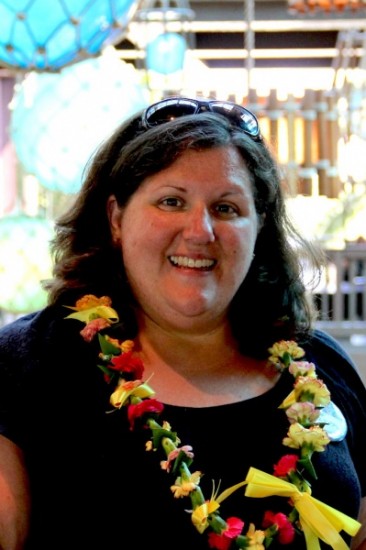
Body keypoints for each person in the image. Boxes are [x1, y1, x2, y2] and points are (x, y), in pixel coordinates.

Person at [0, 96, 365, 550]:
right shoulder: (26, 364)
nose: (200, 231)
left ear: (259, 227)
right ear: (115, 218)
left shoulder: (319, 364)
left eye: (227, 208)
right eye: (171, 201)